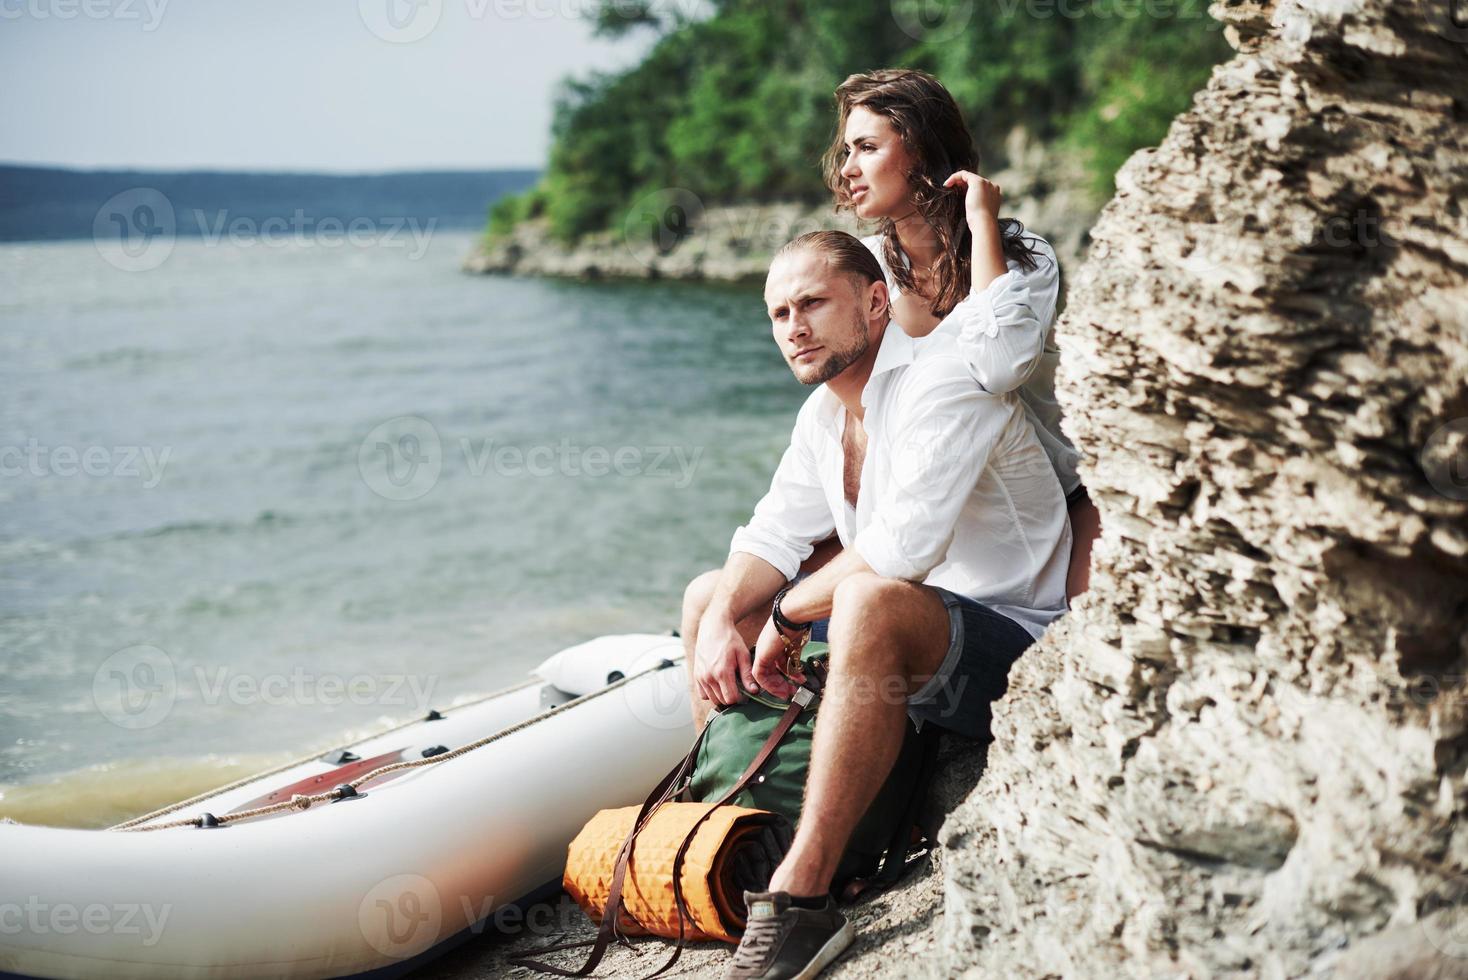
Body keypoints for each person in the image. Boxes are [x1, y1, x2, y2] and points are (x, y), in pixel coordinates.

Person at [680, 230, 1070, 980]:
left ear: (874, 301)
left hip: (1016, 647)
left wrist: (790, 615)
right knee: (708, 598)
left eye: (813, 304)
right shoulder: (825, 416)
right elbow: (771, 532)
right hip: (911, 626)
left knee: (864, 602)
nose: (793, 326)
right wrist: (727, 614)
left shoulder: (942, 380)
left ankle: (804, 898)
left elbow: (903, 548)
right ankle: (736, 828)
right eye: (778, 313)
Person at [824, 67, 1100, 599]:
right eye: (846, 152)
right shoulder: (871, 269)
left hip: (1056, 498)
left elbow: (996, 367)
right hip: (937, 508)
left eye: (866, 148)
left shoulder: (1026, 256)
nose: (848, 170)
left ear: (921, 153)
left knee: (1083, 640)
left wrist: (981, 226)